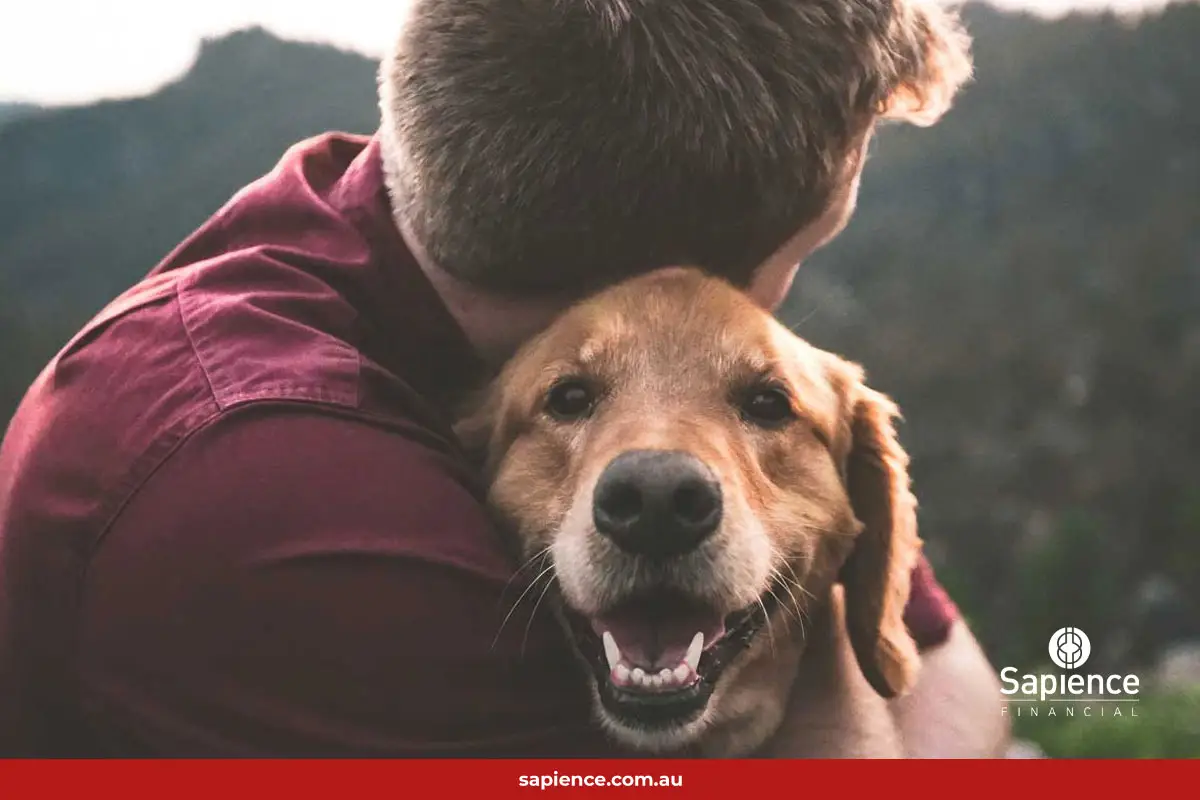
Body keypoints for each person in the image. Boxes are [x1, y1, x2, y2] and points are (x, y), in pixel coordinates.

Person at [0, 0, 1006, 756]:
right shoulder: (284, 504)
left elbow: (953, 674)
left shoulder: (387, 224)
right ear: (667, 269)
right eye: (809, 245)